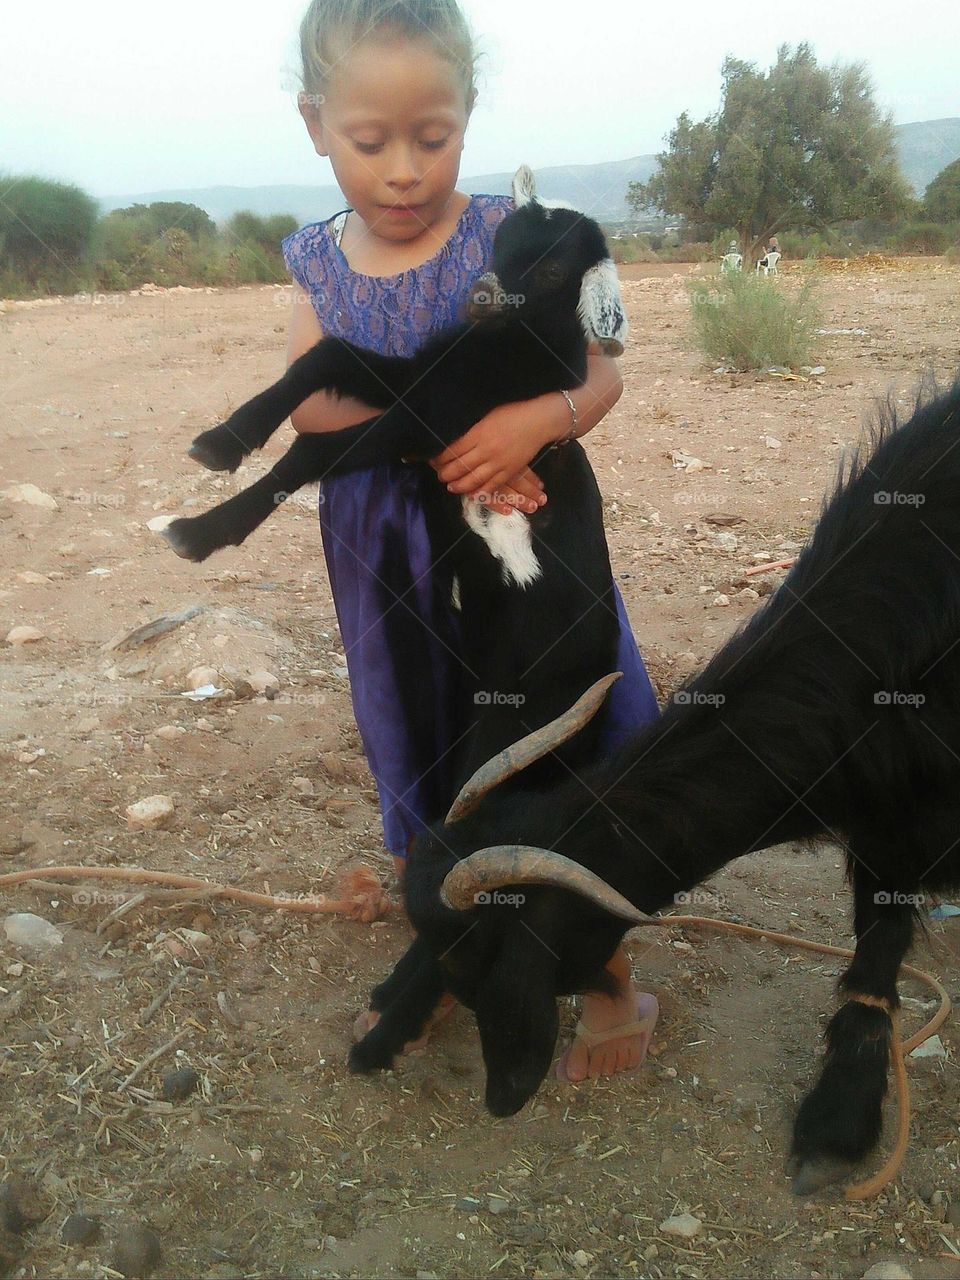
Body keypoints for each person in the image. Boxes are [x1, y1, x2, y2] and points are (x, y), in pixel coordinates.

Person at [282, 0, 660, 1082]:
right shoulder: (316, 261)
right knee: (427, 733)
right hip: (391, 551)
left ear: (469, 116)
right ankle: (448, 946)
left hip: (522, 544)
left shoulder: (516, 238)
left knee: (555, 742)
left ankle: (606, 972)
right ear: (317, 124)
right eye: (369, 141)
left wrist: (540, 420)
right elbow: (312, 410)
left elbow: (602, 373)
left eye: (433, 137)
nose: (403, 170)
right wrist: (435, 430)